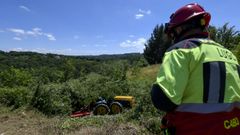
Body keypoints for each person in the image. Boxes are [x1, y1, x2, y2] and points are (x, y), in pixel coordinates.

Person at [151, 3, 240, 135]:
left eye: (173, 32)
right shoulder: (229, 54)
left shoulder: (181, 50)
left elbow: (163, 99)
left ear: (179, 29)